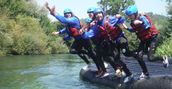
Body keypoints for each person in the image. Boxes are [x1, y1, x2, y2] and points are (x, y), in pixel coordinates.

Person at [45, 2, 101, 71]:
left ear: (71, 13)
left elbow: (63, 19)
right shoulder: (69, 23)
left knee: (92, 53)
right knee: (73, 50)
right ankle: (89, 62)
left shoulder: (74, 19)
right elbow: (66, 29)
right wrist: (58, 32)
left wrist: (52, 11)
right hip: (77, 40)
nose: (67, 14)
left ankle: (100, 68)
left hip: (83, 38)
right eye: (66, 14)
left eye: (68, 13)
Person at [82, 8, 132, 82]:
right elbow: (88, 35)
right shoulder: (95, 26)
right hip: (112, 41)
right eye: (96, 14)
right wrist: (82, 33)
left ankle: (135, 57)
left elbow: (121, 20)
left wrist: (120, 17)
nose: (98, 15)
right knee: (115, 59)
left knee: (125, 53)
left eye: (99, 13)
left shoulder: (109, 19)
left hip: (118, 38)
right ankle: (124, 73)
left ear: (102, 13)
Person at [124, 5, 169, 79]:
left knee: (150, 58)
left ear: (135, 14)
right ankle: (145, 73)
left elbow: (147, 26)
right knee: (139, 56)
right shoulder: (133, 21)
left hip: (152, 38)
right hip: (144, 40)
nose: (129, 17)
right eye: (129, 16)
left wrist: (140, 22)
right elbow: (134, 29)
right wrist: (127, 28)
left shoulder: (142, 17)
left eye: (131, 15)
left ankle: (163, 58)